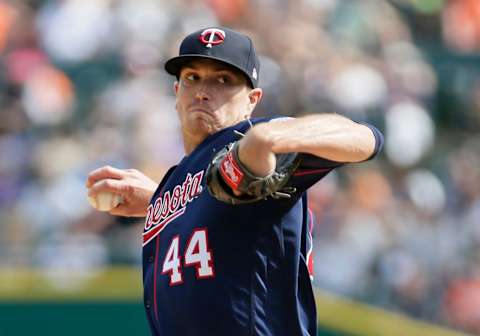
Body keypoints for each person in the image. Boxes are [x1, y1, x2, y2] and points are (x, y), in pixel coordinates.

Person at [86, 27, 383, 336]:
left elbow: (365, 139)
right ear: (176, 92)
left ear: (252, 100)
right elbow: (215, 209)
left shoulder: (252, 139)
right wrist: (157, 199)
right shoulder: (176, 183)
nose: (203, 91)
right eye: (192, 78)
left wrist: (271, 136)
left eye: (223, 80)